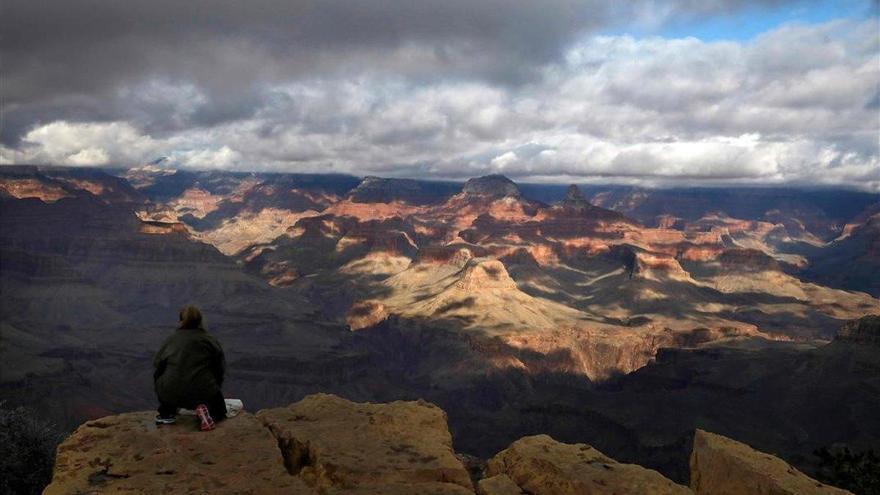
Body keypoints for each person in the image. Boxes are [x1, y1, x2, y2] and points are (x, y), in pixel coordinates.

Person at [153, 305, 227, 429]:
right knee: (220, 413)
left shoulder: (172, 339)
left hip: (171, 393)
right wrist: (215, 388)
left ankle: (166, 412)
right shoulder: (209, 340)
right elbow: (219, 369)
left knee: (160, 374)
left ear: (181, 321)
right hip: (203, 391)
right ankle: (206, 409)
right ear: (200, 321)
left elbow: (158, 364)